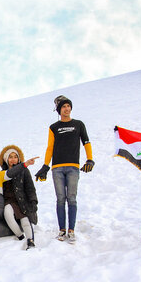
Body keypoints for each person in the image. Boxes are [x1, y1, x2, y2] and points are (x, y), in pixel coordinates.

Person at [34, 95, 94, 243]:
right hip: (57, 168)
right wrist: (45, 166)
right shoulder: (54, 127)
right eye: (63, 107)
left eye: (68, 106)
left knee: (72, 198)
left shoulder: (79, 124)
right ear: (59, 110)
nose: (66, 109)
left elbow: (86, 142)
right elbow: (50, 147)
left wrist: (90, 159)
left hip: (73, 167)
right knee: (60, 199)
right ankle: (62, 230)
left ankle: (71, 230)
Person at [0, 145, 38, 250]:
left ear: (18, 158)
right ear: (6, 159)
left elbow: (30, 188)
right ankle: (20, 236)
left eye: (15, 157)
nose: (13, 159)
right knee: (8, 214)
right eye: (10, 157)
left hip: (22, 200)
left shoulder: (24, 171)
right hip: (9, 201)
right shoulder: (2, 173)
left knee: (25, 219)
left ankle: (30, 241)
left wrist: (33, 201)